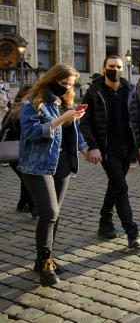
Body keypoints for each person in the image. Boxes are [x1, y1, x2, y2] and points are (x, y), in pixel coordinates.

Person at [18, 65, 88, 286]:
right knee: (49, 212)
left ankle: (43, 259)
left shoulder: (66, 101)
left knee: (54, 216)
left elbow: (71, 132)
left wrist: (85, 146)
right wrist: (61, 119)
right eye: (64, 83)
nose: (67, 87)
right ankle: (46, 261)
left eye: (70, 84)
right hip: (37, 165)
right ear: (52, 80)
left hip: (62, 163)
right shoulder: (33, 102)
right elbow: (30, 132)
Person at [80, 56, 140, 248]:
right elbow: (83, 121)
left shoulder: (130, 90)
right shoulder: (93, 92)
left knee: (115, 185)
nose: (115, 70)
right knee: (121, 187)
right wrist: (92, 146)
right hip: (107, 150)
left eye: (118, 67)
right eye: (111, 66)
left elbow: (138, 120)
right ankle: (132, 233)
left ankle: (105, 221)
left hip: (127, 148)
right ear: (103, 68)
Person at [2, 86, 33, 214]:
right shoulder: (24, 111)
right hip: (19, 150)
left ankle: (23, 203)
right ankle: (33, 206)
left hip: (12, 150)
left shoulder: (13, 109)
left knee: (25, 178)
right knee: (29, 178)